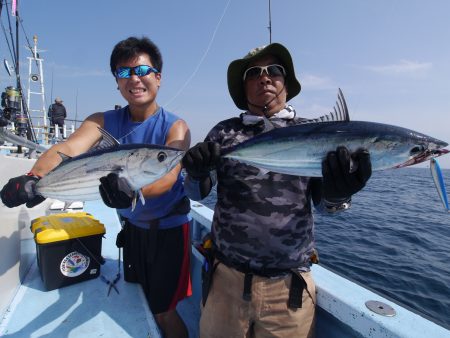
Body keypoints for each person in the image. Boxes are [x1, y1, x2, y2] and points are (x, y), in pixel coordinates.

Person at [1, 36, 191, 338]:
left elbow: (167, 180)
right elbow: (67, 148)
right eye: (124, 73)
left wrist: (129, 193)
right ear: (117, 82)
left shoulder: (175, 127)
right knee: (137, 294)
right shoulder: (102, 121)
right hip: (131, 229)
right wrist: (33, 178)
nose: (134, 79)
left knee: (164, 311)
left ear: (158, 77)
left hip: (167, 232)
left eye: (142, 71)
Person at [182, 43, 372, 337]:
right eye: (254, 73)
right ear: (243, 88)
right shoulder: (224, 132)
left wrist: (339, 193)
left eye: (274, 71)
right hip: (225, 282)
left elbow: (324, 205)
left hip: (288, 290)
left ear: (286, 82)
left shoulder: (313, 132)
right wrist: (195, 173)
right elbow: (197, 194)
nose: (265, 77)